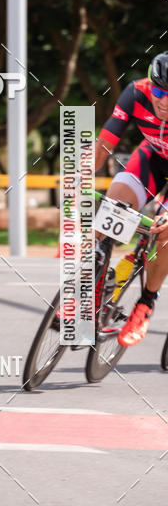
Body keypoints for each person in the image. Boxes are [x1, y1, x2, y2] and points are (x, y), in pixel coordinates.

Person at [95, 51, 168, 346]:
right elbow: (102, 147)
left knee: (165, 234)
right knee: (110, 210)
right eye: (160, 91)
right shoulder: (135, 93)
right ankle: (94, 286)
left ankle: (146, 304)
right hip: (152, 160)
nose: (164, 101)